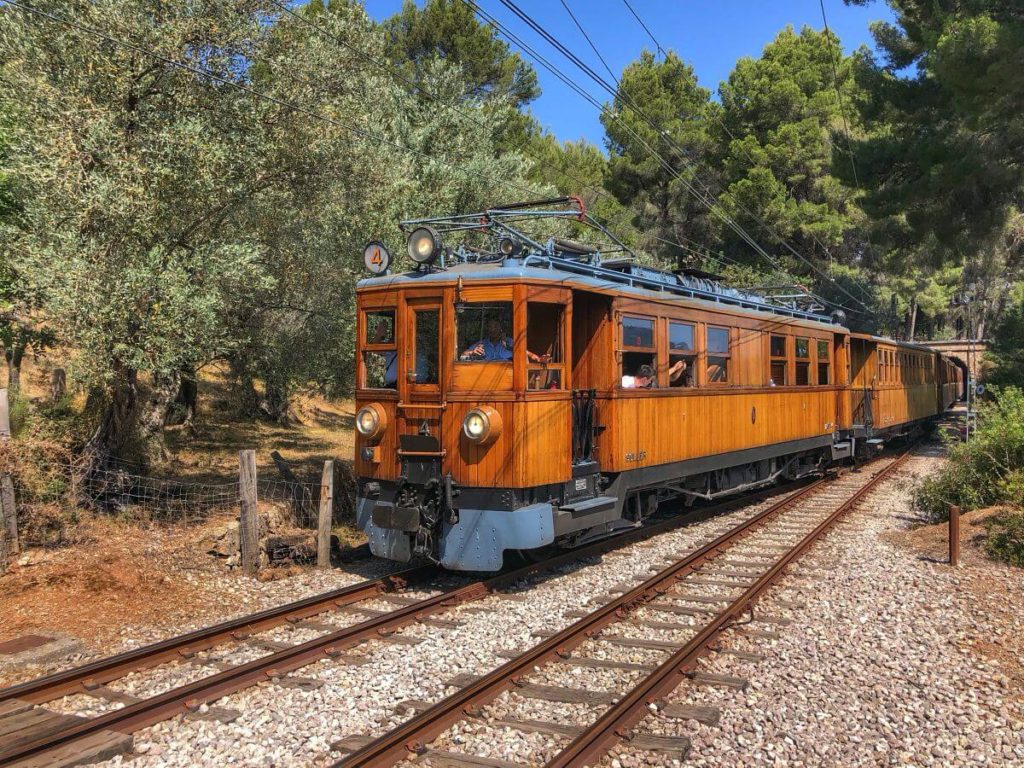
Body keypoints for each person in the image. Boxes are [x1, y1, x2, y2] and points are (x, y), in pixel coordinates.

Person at [460, 318, 552, 363]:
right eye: (490, 327)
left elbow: (526, 353)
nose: (493, 329)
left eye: (495, 326)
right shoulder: (482, 343)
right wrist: (472, 351)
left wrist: (539, 359)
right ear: (487, 329)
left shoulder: (509, 342)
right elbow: (463, 355)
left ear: (500, 328)